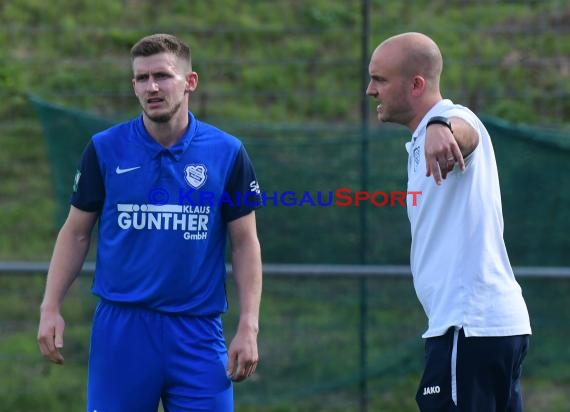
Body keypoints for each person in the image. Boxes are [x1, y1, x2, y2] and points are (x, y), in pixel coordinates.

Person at [37, 33, 263, 411]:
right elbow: (76, 233)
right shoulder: (105, 148)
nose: (151, 87)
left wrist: (249, 325)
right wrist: (49, 307)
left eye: (162, 75)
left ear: (190, 82)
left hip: (198, 331)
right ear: (133, 86)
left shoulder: (227, 152)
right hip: (122, 330)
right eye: (141, 79)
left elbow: (245, 243)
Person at [366, 32, 531, 411]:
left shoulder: (449, 123)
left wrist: (442, 124)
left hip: (467, 327)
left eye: (380, 79)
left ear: (416, 85)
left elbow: (465, 130)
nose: (370, 90)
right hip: (491, 327)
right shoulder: (420, 142)